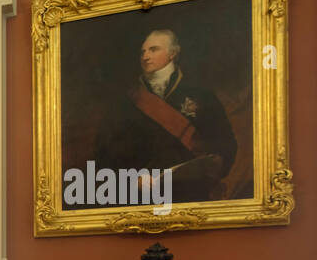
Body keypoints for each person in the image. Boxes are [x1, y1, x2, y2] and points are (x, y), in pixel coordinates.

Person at [91, 29, 236, 203]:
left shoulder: (201, 95)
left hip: (190, 195)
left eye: (153, 49)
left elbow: (225, 143)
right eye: (143, 52)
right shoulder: (125, 103)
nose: (145, 56)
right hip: (140, 197)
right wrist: (129, 181)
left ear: (173, 53)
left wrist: (213, 169)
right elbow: (104, 154)